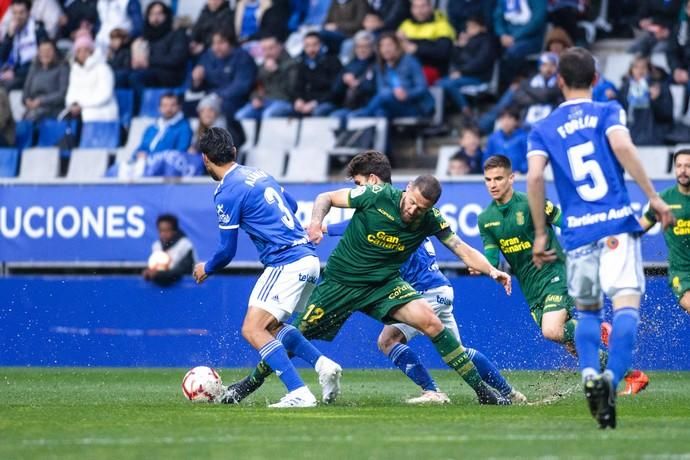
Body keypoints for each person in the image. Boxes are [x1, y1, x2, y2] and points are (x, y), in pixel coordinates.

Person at [224, 172, 515, 406]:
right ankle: (250, 384)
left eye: (421, 208)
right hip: (341, 283)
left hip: (384, 284)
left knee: (431, 321)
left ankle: (482, 392)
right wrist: (316, 223)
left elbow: (461, 248)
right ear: (407, 187)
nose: (413, 210)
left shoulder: (430, 219)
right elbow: (326, 197)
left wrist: (492, 270)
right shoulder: (376, 195)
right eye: (412, 201)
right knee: (295, 335)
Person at [526, 47, 674, 429]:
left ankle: (591, 372)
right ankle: (610, 379)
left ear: (559, 81)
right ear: (595, 79)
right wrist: (654, 196)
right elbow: (622, 146)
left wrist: (542, 232)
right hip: (615, 230)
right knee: (625, 307)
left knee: (588, 312)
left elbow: (535, 178)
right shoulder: (608, 110)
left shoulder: (543, 129)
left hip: (577, 236)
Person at [324, 151, 526, 405]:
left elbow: (460, 247)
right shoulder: (403, 208)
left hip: (424, 291)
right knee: (457, 353)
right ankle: (509, 393)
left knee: (388, 340)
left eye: (359, 184)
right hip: (438, 288)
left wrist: (324, 228)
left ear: (372, 181)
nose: (357, 191)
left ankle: (432, 391)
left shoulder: (393, 211)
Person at [192, 127, 342, 408]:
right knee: (273, 327)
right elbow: (293, 203)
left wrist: (207, 268)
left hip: (285, 260)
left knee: (252, 329)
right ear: (234, 152)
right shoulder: (259, 174)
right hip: (308, 259)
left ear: (205, 159)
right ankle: (323, 365)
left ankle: (298, 391)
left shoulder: (226, 192)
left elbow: (227, 251)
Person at [479, 154, 651, 396]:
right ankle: (632, 374)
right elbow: (492, 257)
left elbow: (567, 223)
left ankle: (599, 335)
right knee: (570, 343)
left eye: (498, 178)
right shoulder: (485, 219)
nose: (493, 184)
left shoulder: (532, 203)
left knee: (550, 330)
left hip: (557, 273)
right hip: (531, 288)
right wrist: (487, 268)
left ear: (511, 178)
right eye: (488, 179)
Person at [639, 149, 690, 314]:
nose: (683, 170)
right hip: (682, 273)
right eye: (679, 166)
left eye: (688, 166)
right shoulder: (664, 199)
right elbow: (640, 227)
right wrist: (616, 237)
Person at [351, 32, 433, 119]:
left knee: (385, 95)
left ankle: (362, 114)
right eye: (382, 46)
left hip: (414, 106)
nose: (386, 49)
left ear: (397, 47)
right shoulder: (381, 66)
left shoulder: (410, 61)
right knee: (381, 112)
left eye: (389, 45)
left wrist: (408, 94)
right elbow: (381, 89)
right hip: (392, 103)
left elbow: (422, 87)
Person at [437, 14, 497, 116]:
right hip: (464, 75)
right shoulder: (468, 41)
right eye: (468, 26)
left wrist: (462, 72)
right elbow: (457, 61)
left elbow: (480, 63)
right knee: (439, 83)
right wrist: (459, 47)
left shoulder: (487, 42)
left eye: (473, 26)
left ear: (482, 27)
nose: (469, 29)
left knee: (447, 84)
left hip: (479, 77)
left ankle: (465, 109)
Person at [191, 29, 257, 121]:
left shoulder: (243, 58)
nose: (216, 47)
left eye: (221, 43)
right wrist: (197, 80)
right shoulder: (207, 57)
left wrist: (218, 95)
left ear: (231, 44)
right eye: (214, 43)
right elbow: (196, 88)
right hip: (210, 98)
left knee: (223, 107)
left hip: (235, 99)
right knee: (187, 106)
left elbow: (241, 86)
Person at [128, 1, 188, 93]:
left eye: (159, 13)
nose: (155, 17)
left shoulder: (177, 34)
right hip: (148, 71)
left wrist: (149, 61)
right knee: (121, 76)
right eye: (151, 14)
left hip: (169, 74)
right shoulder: (145, 36)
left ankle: (140, 106)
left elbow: (175, 59)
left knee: (136, 77)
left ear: (166, 15)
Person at [234, 34, 296, 120]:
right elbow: (256, 86)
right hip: (265, 101)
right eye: (264, 49)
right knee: (240, 116)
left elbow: (292, 90)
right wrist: (255, 98)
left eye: (271, 48)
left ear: (280, 46)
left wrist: (276, 72)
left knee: (268, 114)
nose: (268, 52)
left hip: (285, 102)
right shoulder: (262, 66)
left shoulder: (292, 64)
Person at [617, 55, 673, 146]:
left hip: (654, 137)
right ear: (631, 70)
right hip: (630, 137)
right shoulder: (625, 88)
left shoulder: (661, 88)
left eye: (643, 67)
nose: (640, 71)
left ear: (649, 70)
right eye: (636, 67)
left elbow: (667, 115)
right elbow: (619, 114)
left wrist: (656, 100)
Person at [396, 0, 455, 83]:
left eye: (423, 6)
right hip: (406, 68)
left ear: (430, 7)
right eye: (416, 7)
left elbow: (443, 52)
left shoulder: (442, 26)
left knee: (406, 81)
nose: (419, 11)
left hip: (432, 68)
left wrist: (417, 49)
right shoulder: (405, 25)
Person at [64, 32, 118, 122]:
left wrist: (82, 104)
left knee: (87, 116)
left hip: (102, 110)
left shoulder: (103, 68)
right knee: (65, 119)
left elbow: (105, 95)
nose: (82, 54)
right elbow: (71, 92)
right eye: (79, 51)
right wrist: (73, 104)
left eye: (86, 50)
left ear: (91, 51)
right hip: (80, 110)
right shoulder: (75, 70)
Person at [291, 31, 342, 117]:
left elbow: (335, 91)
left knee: (318, 112)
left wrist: (315, 103)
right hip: (307, 102)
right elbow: (298, 87)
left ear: (322, 45)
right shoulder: (302, 63)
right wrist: (298, 100)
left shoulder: (333, 61)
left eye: (315, 45)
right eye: (307, 46)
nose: (311, 49)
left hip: (328, 102)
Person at [0, 0, 48, 90]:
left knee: (5, 86)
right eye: (15, 13)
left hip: (32, 73)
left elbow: (42, 60)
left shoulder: (38, 29)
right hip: (12, 70)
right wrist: (9, 37)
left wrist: (15, 72)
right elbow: (2, 56)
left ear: (29, 13)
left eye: (21, 13)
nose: (18, 17)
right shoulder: (12, 30)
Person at [143, 214, 197, 286]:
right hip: (161, 288)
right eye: (161, 231)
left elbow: (182, 271)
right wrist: (148, 273)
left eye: (167, 230)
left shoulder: (185, 245)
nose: (163, 234)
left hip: (187, 287)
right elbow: (154, 268)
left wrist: (159, 274)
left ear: (174, 231)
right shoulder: (157, 246)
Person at [22, 39, 69, 121]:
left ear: (55, 52)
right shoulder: (34, 68)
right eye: (42, 51)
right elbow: (26, 91)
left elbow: (62, 94)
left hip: (53, 108)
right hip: (33, 108)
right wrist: (26, 100)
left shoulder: (63, 67)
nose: (45, 53)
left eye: (48, 50)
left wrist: (41, 101)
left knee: (32, 117)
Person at [484, 107, 528, 174]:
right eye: (502, 118)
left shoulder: (524, 137)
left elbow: (529, 159)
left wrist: (521, 170)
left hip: (519, 178)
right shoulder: (493, 138)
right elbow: (487, 159)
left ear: (516, 121)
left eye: (509, 118)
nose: (506, 122)